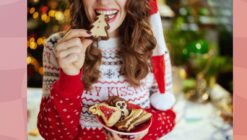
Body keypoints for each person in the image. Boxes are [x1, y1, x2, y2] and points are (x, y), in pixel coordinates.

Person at [37, 0, 176, 139]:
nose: (103, 1)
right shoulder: (60, 47)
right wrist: (69, 76)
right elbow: (53, 135)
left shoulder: (153, 47)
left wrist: (141, 132)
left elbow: (168, 117)